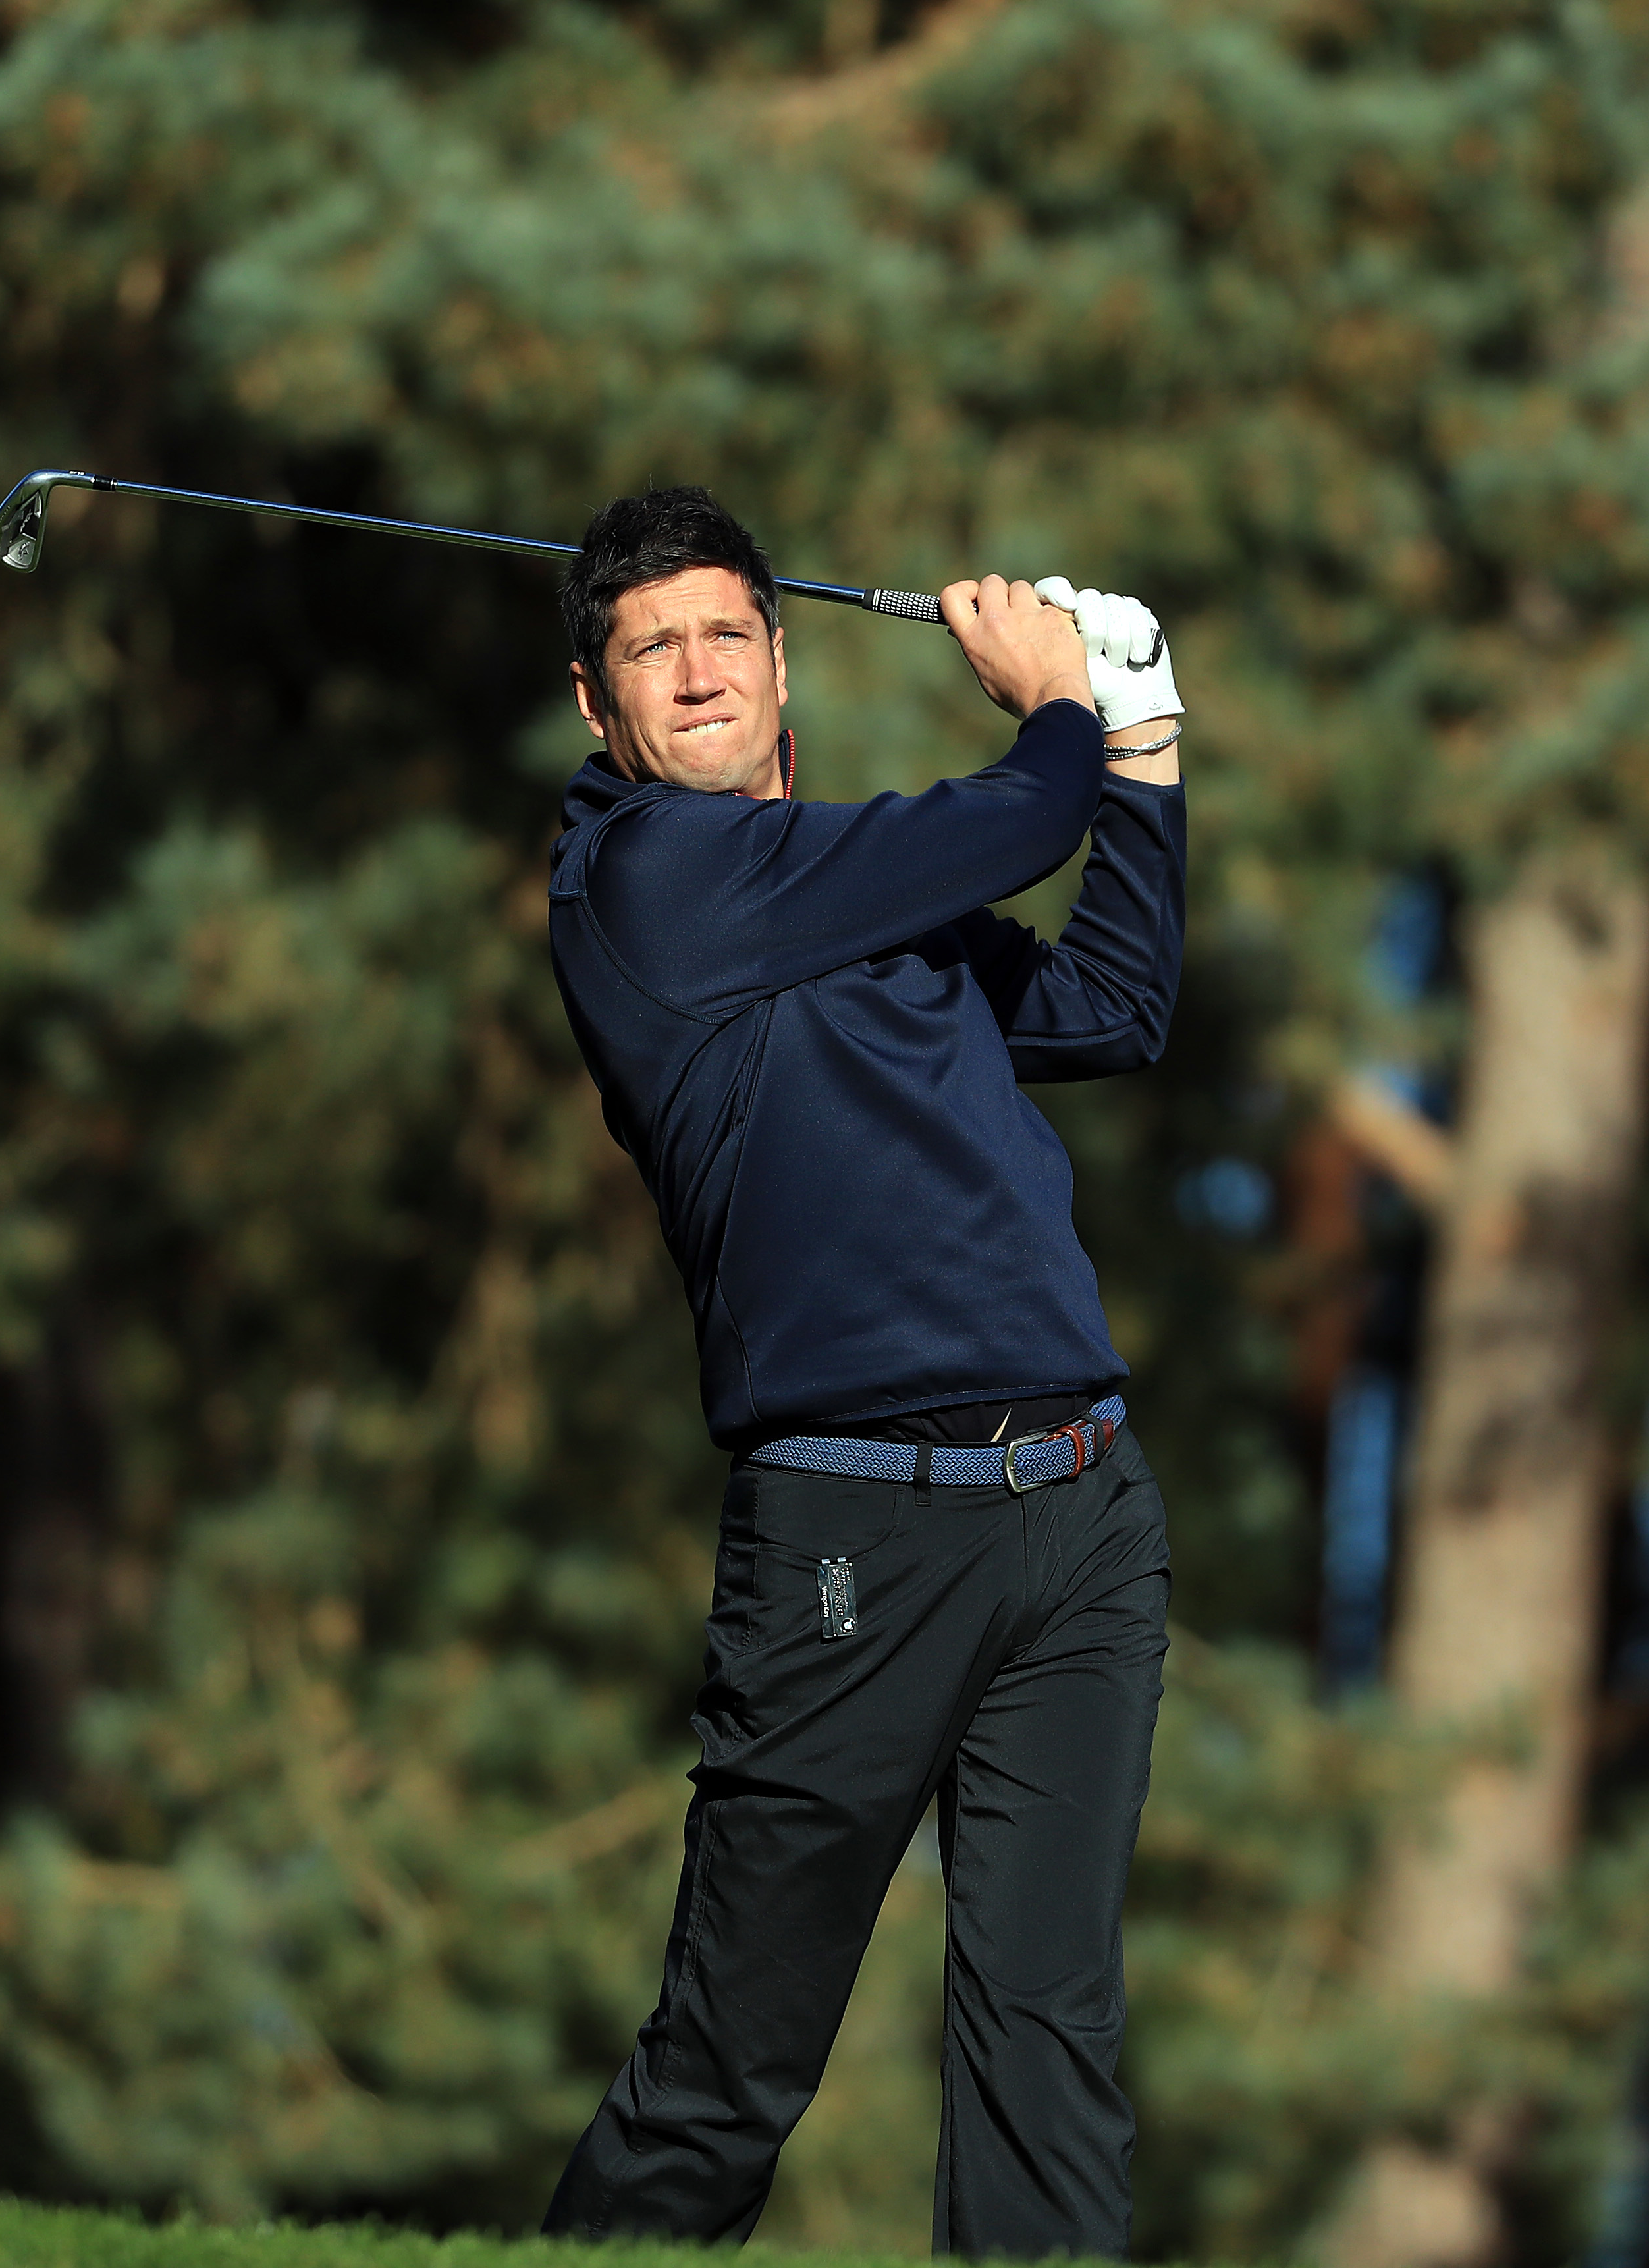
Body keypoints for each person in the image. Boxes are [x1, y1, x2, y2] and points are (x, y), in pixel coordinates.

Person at [539, 486, 1188, 2260]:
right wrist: (1063, 704)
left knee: (1049, 2041)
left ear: (781, 664)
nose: (694, 670)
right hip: (853, 1533)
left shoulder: (855, 908)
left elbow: (1117, 1004)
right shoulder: (643, 886)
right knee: (732, 2067)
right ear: (600, 712)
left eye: (726, 631)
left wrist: (1149, 751)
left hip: (1082, 1519)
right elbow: (1012, 812)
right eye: (649, 648)